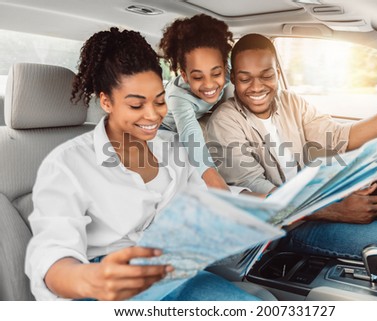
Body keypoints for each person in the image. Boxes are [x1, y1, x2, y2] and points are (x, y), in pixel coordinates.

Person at [24, 27, 261, 301]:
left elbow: (210, 197)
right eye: (136, 106)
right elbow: (52, 253)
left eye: (160, 101)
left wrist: (278, 202)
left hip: (175, 273)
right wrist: (90, 280)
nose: (153, 115)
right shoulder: (67, 163)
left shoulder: (172, 146)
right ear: (106, 101)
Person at [207, 33, 377, 265]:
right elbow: (262, 199)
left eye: (266, 75)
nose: (256, 87)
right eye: (245, 78)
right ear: (233, 78)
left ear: (278, 73)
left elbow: (341, 137)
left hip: (317, 201)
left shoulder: (291, 102)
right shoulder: (224, 123)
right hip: (285, 228)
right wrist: (334, 210)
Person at [159, 14, 233, 190]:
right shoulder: (177, 96)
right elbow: (190, 135)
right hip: (166, 128)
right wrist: (213, 179)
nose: (208, 84)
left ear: (225, 67)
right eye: (198, 77)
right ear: (184, 75)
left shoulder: (229, 76)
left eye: (216, 74)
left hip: (197, 119)